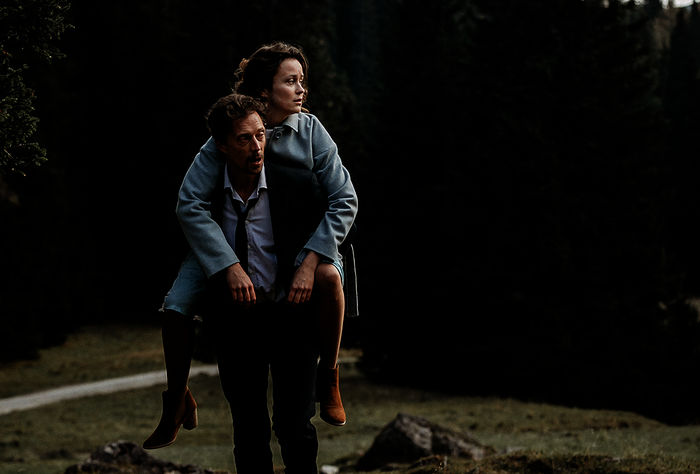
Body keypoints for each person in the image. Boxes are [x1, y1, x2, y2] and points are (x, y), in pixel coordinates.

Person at [143, 41, 358, 453]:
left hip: (306, 243)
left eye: (302, 81)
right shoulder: (230, 134)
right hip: (227, 241)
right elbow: (189, 203)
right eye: (290, 81)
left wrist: (312, 258)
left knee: (330, 276)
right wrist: (226, 264)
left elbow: (345, 198)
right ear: (263, 92)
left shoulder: (310, 130)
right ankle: (176, 399)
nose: (301, 90)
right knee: (175, 305)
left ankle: (329, 375)